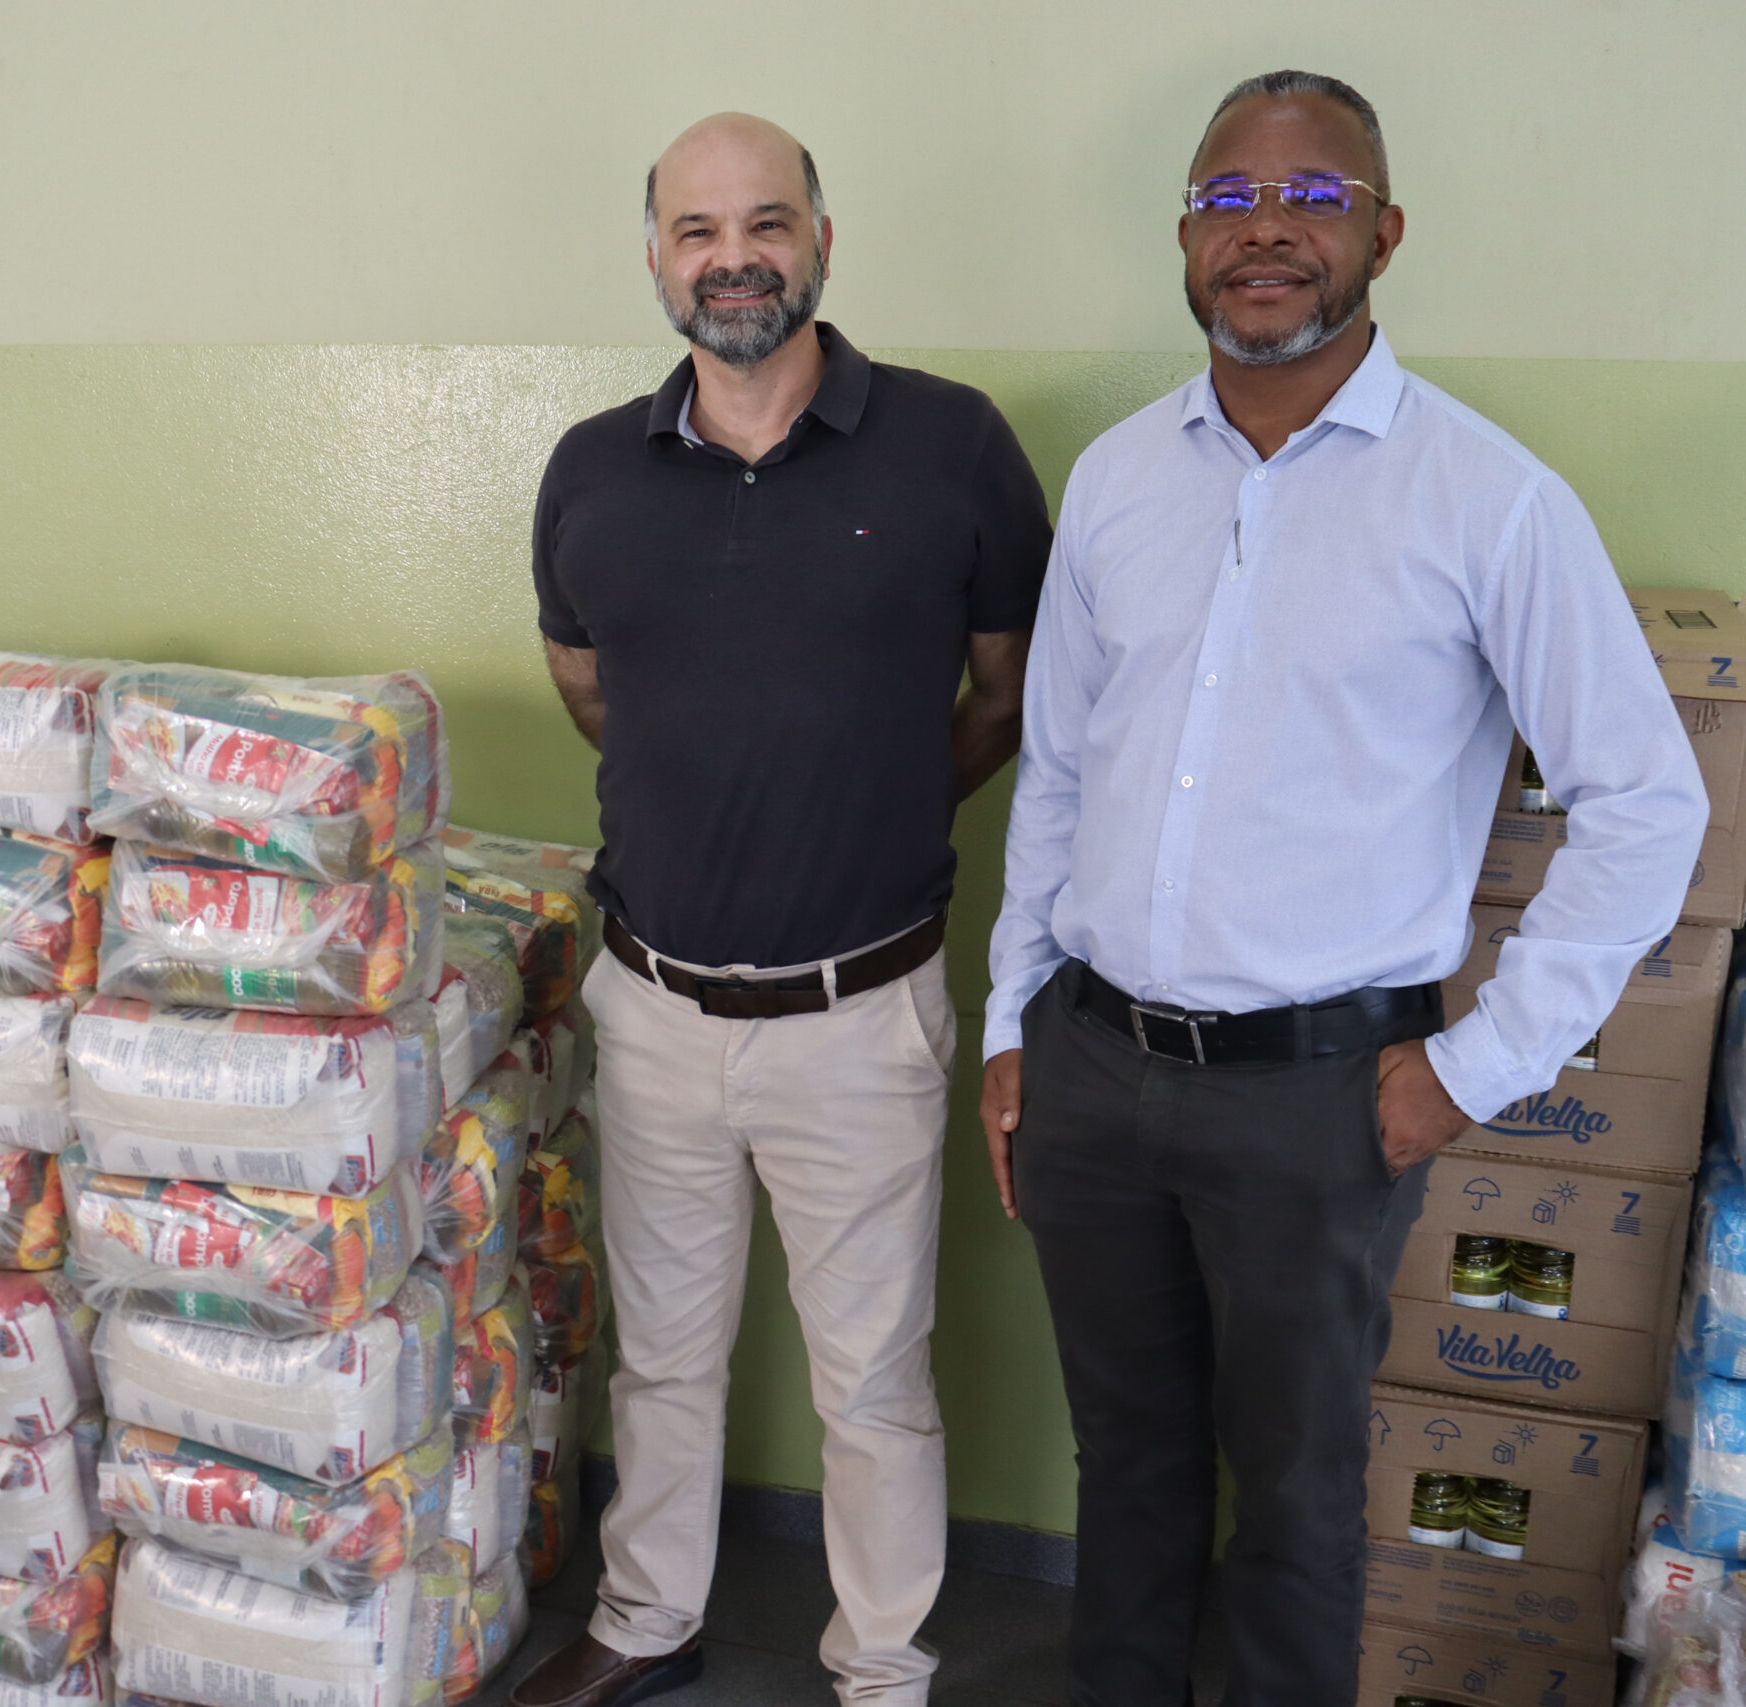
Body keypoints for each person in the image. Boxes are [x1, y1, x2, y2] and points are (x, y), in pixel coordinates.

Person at [978, 70, 1709, 1705]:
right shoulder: (1115, 481)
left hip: (1316, 1105)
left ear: (1385, 233)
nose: (1267, 230)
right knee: (1129, 1474)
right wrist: (1012, 1027)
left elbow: (1648, 805)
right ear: (1185, 234)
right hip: (1093, 1070)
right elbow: (1061, 775)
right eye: (1228, 197)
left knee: (1297, 1512)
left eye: (1312, 197)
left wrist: (1473, 1068)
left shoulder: (1488, 501)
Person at [509, 112, 1053, 1707]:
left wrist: (875, 801)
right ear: (657, 258)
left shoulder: (953, 445)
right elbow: (592, 689)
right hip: (651, 1005)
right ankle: (645, 1619)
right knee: (664, 1356)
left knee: (871, 1378)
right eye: (698, 230)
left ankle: (881, 1667)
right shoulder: (591, 469)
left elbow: (1010, 693)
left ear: (821, 241)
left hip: (858, 1017)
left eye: (765, 223)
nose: (732, 257)